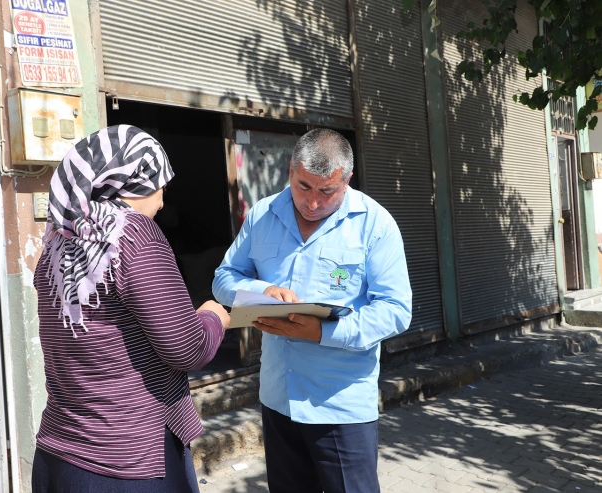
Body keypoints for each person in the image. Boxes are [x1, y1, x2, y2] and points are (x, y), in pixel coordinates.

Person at [32, 124, 230, 492]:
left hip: (59, 452)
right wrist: (214, 316)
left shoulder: (56, 245)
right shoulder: (134, 235)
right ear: (136, 183)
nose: (162, 201)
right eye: (161, 187)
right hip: (126, 458)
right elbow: (187, 348)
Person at [213, 128, 412, 493]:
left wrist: (321, 332)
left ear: (347, 180)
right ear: (291, 170)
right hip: (278, 399)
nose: (313, 203)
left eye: (327, 191)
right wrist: (263, 290)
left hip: (340, 406)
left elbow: (396, 309)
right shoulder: (262, 215)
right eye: (304, 186)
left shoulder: (374, 224)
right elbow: (224, 277)